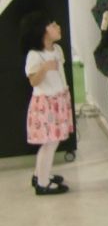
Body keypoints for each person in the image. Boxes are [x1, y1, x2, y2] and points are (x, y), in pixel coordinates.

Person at [21, 12, 72, 196]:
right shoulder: (35, 55)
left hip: (58, 100)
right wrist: (44, 68)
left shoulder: (57, 50)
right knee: (50, 142)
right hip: (46, 104)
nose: (58, 26)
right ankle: (43, 183)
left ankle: (40, 175)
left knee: (52, 142)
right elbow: (33, 81)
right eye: (52, 25)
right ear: (42, 32)